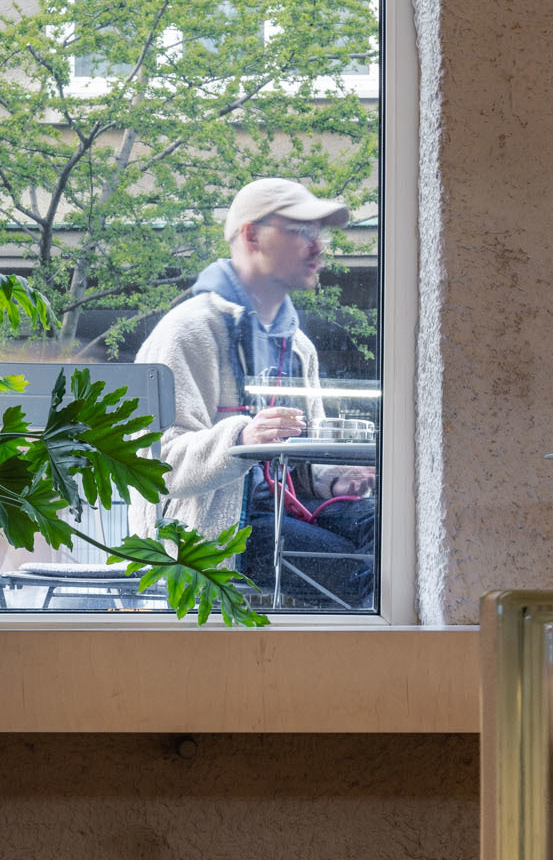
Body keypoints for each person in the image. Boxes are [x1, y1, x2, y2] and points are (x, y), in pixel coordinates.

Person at [134, 177, 376, 608]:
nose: (318, 247)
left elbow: (299, 463)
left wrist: (334, 478)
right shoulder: (186, 333)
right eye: (301, 231)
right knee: (363, 569)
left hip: (283, 514)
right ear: (251, 236)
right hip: (211, 532)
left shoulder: (298, 347)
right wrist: (242, 438)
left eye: (319, 234)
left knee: (389, 531)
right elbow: (154, 467)